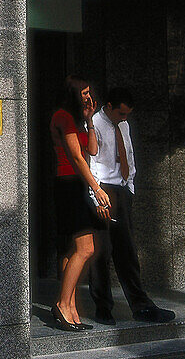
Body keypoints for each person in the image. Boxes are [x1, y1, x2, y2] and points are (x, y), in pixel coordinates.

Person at [88, 88, 177, 325]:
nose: (124, 118)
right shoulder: (95, 123)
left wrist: (130, 186)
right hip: (103, 189)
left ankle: (141, 306)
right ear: (109, 106)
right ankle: (103, 307)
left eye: (128, 114)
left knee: (127, 251)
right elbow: (91, 162)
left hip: (122, 189)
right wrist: (97, 195)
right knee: (102, 251)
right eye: (121, 113)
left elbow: (128, 152)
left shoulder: (123, 125)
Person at [49, 76, 112, 331]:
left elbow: (93, 151)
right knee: (86, 248)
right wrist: (96, 189)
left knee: (72, 252)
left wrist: (89, 120)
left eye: (89, 92)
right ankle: (62, 305)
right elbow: (76, 157)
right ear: (73, 94)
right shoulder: (62, 117)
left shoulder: (76, 120)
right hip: (69, 185)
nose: (88, 97)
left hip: (74, 185)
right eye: (83, 93)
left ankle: (71, 308)